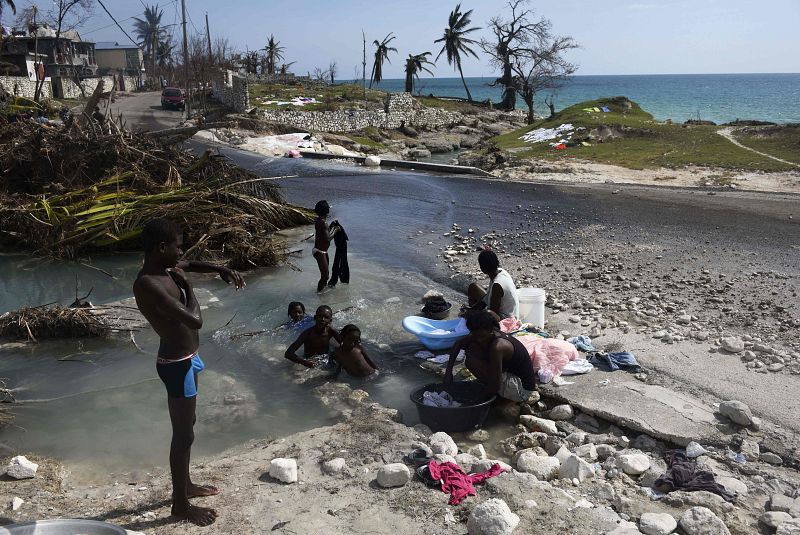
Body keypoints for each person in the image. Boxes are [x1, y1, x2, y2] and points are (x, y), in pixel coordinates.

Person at [132, 218, 245, 526]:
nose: (180, 252)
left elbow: (191, 263)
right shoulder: (148, 283)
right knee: (183, 434)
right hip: (175, 365)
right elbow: (195, 320)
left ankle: (187, 485)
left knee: (188, 426)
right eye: (177, 246)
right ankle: (180, 505)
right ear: (161, 248)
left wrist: (219, 269)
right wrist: (190, 289)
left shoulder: (164, 268)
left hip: (188, 358)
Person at [443, 310, 536, 403]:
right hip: (510, 375)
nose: (479, 340)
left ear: (491, 330)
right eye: (475, 336)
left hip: (522, 390)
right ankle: (489, 386)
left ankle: (498, 397)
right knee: (472, 348)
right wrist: (448, 372)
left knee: (472, 361)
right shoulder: (481, 333)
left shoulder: (498, 346)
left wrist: (474, 403)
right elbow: (458, 344)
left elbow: (495, 386)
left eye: (482, 336)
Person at [464, 250, 519, 320]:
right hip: (500, 311)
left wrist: (474, 314)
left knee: (474, 318)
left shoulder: (497, 285)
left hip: (505, 319)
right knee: (473, 287)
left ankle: (471, 318)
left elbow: (492, 314)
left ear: (482, 269)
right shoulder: (500, 272)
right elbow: (485, 300)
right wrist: (472, 309)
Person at [312, 200, 339, 293]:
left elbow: (324, 235)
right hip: (320, 251)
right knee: (325, 276)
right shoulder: (323, 223)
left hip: (321, 251)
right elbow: (328, 239)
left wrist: (331, 228)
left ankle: (322, 290)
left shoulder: (319, 221)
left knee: (326, 274)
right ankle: (319, 294)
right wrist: (336, 230)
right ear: (327, 211)